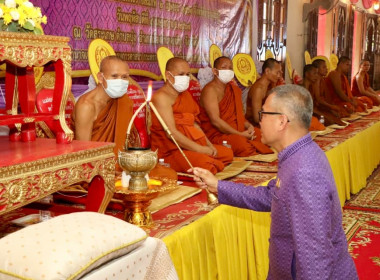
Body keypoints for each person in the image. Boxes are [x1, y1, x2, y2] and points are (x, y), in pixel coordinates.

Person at [191, 84, 358, 279]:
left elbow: (315, 257)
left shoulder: (303, 171)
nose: (258, 121)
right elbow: (272, 196)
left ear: (281, 121)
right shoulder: (297, 154)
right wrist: (217, 186)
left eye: (263, 114)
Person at [150, 57, 233, 174]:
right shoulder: (161, 97)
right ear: (168, 76)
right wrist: (201, 150)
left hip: (191, 145)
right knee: (206, 164)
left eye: (187, 74)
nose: (185, 78)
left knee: (227, 153)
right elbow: (171, 133)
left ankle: (202, 157)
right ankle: (199, 160)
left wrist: (208, 145)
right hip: (171, 151)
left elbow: (193, 124)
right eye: (181, 74)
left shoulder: (185, 95)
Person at [199, 56, 272, 156]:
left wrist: (249, 126)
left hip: (237, 130)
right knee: (242, 144)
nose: (228, 71)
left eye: (230, 68)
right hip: (218, 134)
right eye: (224, 67)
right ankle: (249, 146)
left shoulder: (233, 89)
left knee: (262, 135)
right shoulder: (210, 91)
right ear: (215, 71)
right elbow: (215, 121)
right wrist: (240, 134)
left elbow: (239, 117)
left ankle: (251, 144)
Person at [72, 55, 133, 155]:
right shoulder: (86, 106)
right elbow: (84, 152)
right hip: (95, 164)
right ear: (100, 77)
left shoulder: (123, 101)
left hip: (121, 161)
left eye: (124, 77)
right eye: (114, 76)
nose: (120, 81)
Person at [246, 58, 282, 126]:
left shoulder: (270, 85)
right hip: (253, 126)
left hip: (267, 120)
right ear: (267, 71)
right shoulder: (258, 89)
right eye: (277, 72)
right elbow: (257, 118)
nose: (279, 76)